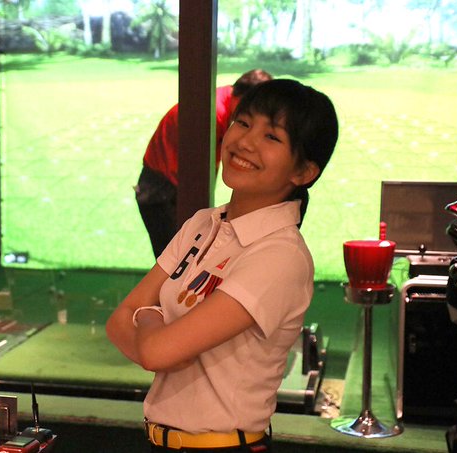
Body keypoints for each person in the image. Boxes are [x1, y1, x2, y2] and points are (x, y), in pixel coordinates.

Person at [107, 79, 339, 452]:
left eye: (271, 136)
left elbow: (153, 349)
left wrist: (149, 317)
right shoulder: (203, 223)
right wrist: (158, 342)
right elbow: (118, 321)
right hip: (159, 440)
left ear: (303, 172)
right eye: (243, 123)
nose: (245, 142)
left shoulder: (280, 255)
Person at [135, 69, 273, 258]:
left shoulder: (226, 101)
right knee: (175, 260)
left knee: (185, 256)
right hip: (160, 188)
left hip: (173, 181)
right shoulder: (213, 113)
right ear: (242, 97)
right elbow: (204, 170)